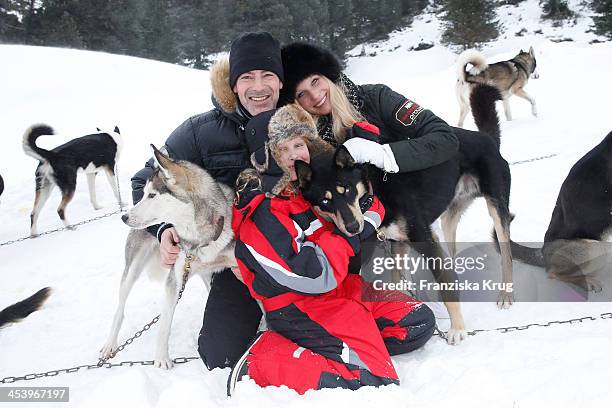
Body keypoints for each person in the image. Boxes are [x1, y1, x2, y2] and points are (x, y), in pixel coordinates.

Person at [227, 104, 435, 395]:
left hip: (342, 289)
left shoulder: (312, 184)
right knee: (373, 376)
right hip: (300, 304)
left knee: (417, 321)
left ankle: (339, 344)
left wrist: (351, 227)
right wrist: (348, 235)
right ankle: (260, 360)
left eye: (298, 144)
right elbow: (314, 275)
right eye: (281, 149)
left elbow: (372, 208)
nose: (292, 155)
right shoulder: (263, 210)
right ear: (266, 156)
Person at [130, 32, 284, 370]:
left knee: (315, 328)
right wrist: (163, 229)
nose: (258, 86)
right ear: (233, 85)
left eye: (267, 75)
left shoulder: (299, 123)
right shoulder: (198, 132)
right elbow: (145, 180)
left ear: (281, 80)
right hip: (233, 260)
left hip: (294, 256)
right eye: (247, 77)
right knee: (220, 354)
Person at [278, 42, 459, 174]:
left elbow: (444, 137)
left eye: (315, 81)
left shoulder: (377, 98)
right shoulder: (302, 138)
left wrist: (382, 155)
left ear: (329, 77)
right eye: (302, 94)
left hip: (410, 201)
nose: (315, 96)